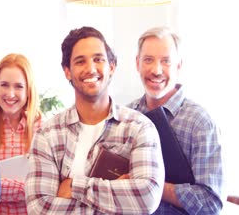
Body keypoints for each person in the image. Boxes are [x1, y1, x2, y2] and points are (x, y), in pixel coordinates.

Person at [25, 26, 165, 214]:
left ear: (112, 66)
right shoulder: (47, 135)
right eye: (80, 61)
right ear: (67, 71)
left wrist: (74, 187)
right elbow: (38, 208)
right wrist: (114, 194)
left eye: (98, 59)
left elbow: (146, 197)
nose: (90, 69)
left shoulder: (139, 128)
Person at [128, 26, 224, 214]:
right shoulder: (128, 114)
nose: (156, 70)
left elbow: (211, 203)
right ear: (137, 63)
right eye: (148, 60)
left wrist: (152, 187)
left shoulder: (200, 123)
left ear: (179, 66)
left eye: (166, 61)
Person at [0, 53, 42, 214]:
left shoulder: (43, 128)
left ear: (29, 90)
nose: (10, 93)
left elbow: (47, 187)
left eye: (18, 86)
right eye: (4, 85)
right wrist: (27, 188)